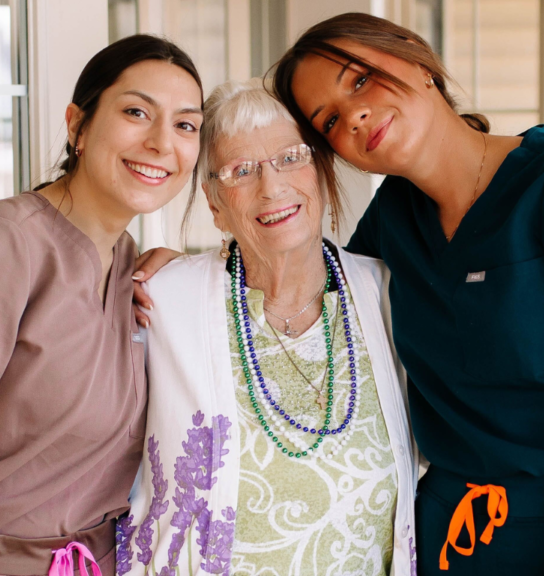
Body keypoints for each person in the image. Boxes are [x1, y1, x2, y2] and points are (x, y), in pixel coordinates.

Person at [265, 12, 544, 576]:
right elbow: (293, 298)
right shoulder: (392, 222)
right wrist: (188, 271)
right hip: (455, 536)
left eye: (359, 80)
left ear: (414, 57)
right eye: (329, 120)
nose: (353, 115)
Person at [0, 36, 203, 576]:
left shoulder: (130, 263)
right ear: (78, 125)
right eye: (135, 112)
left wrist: (188, 274)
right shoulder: (6, 241)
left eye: (186, 125)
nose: (160, 142)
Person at [115, 80, 417, 576]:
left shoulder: (387, 294)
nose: (272, 187)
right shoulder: (160, 301)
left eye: (291, 158)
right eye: (241, 171)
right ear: (215, 205)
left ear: (320, 173)